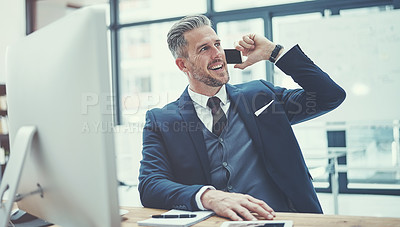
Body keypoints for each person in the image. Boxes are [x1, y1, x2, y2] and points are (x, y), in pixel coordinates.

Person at [138, 14, 345, 221]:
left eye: (217, 44)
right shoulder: (161, 120)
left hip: (282, 218)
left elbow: (329, 96)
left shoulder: (261, 95)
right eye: (204, 49)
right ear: (183, 65)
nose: (218, 54)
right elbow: (150, 184)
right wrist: (207, 196)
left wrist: (275, 53)